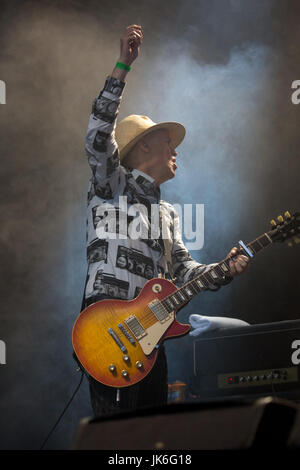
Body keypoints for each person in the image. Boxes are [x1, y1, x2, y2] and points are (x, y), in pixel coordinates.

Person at [81, 25, 250, 416]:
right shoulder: (111, 184)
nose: (175, 149)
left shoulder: (169, 213)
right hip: (108, 333)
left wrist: (225, 269)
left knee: (153, 432)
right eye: (167, 141)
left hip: (151, 343)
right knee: (117, 439)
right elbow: (96, 137)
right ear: (142, 146)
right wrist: (123, 65)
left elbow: (185, 272)